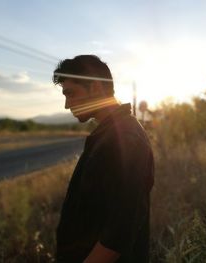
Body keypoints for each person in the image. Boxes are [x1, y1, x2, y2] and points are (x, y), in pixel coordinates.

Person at [53, 55, 154, 263]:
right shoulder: (111, 133)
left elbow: (120, 231)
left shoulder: (123, 138)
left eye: (70, 93)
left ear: (97, 88)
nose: (66, 105)